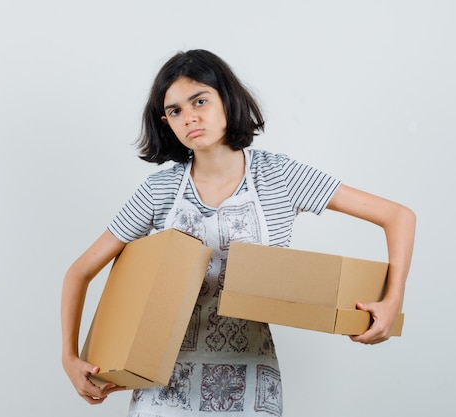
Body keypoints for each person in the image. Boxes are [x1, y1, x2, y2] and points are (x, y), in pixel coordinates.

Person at [60, 49, 416, 416]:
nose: (190, 117)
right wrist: (70, 358)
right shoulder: (159, 191)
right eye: (175, 111)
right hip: (163, 389)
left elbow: (398, 216)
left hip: (250, 387)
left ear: (227, 100)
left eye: (200, 100)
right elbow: (80, 271)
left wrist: (391, 302)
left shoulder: (279, 177)